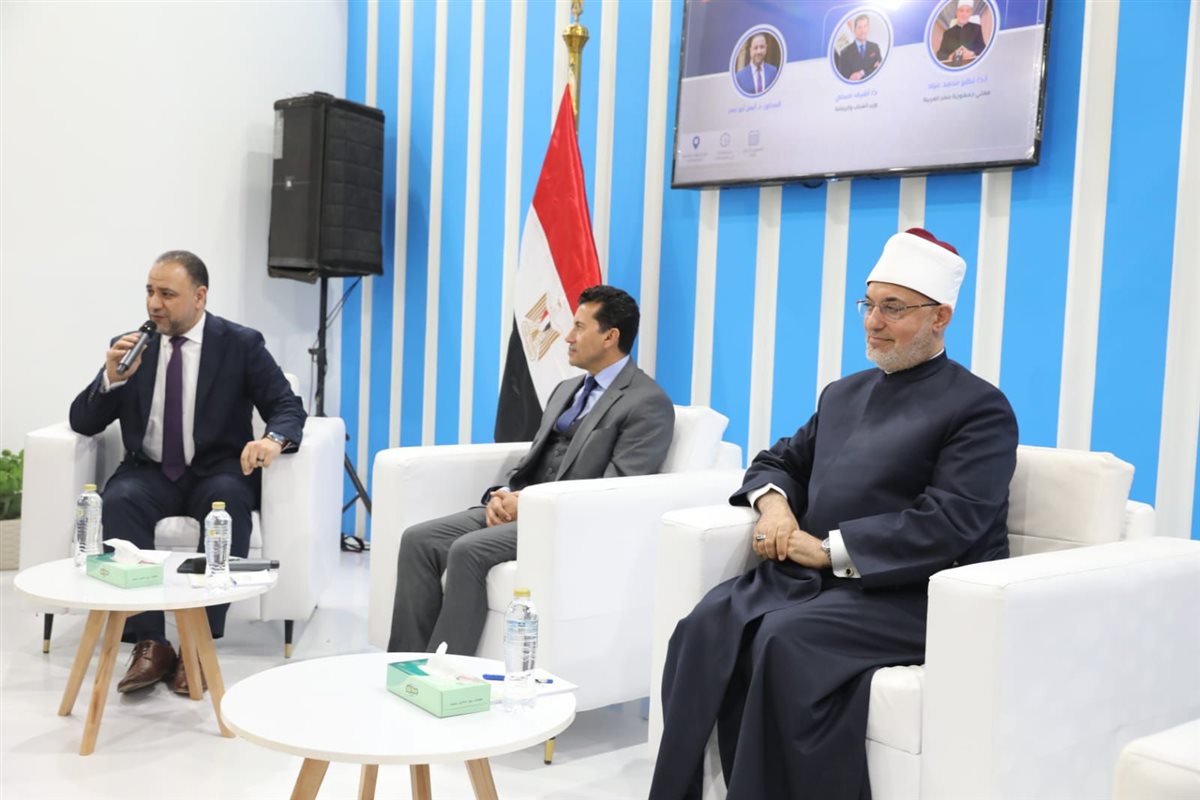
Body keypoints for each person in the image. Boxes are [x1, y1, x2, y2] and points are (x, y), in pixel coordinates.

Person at [649, 228, 1018, 800]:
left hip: (908, 592)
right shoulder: (843, 393)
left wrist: (826, 551)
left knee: (784, 639)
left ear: (940, 317)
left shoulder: (980, 408)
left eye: (893, 308)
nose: (873, 322)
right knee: (703, 625)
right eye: (868, 304)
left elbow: (951, 521)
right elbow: (780, 461)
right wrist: (774, 507)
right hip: (814, 578)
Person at [389, 285, 674, 655]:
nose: (568, 337)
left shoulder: (648, 402)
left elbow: (616, 489)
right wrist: (505, 495)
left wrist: (531, 503)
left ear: (610, 336)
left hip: (567, 521)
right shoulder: (565, 389)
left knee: (467, 550)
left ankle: (447, 671)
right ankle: (405, 665)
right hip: (525, 507)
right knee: (418, 540)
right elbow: (534, 462)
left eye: (579, 327)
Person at [69, 250, 306, 695]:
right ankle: (151, 642)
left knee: (228, 504)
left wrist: (272, 439)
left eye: (167, 294)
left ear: (199, 297)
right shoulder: (133, 346)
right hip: (150, 470)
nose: (154, 304)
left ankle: (198, 643)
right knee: (118, 501)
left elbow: (286, 405)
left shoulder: (240, 344)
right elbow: (83, 422)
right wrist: (111, 379)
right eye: (149, 292)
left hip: (218, 469)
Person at [937, 0, 987, 65]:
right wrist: (950, 56)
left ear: (970, 13)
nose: (964, 14)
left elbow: (983, 48)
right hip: (954, 66)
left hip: (971, 64)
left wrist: (971, 53)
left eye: (967, 11)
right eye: (961, 11)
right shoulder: (947, 33)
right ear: (957, 12)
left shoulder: (977, 28)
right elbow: (940, 54)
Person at [836, 14, 883, 81]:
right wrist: (871, 69)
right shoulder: (845, 53)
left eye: (865, 26)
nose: (863, 30)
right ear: (854, 30)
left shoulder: (875, 47)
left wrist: (862, 73)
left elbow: (880, 69)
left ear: (868, 28)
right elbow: (844, 79)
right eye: (859, 27)